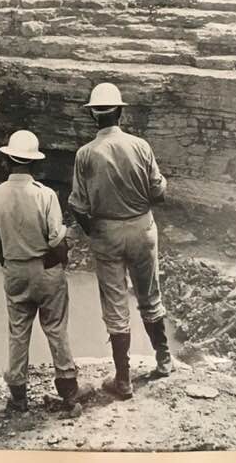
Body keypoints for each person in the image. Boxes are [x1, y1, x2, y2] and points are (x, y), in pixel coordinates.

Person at [68, 83, 173, 400]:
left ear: (93, 117)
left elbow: (77, 205)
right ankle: (164, 359)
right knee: (150, 296)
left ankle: (123, 380)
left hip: (107, 233)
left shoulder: (85, 155)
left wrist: (93, 231)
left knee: (115, 309)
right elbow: (159, 194)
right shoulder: (140, 146)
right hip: (142, 229)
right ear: (120, 111)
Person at [0, 130, 80, 414]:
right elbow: (55, 239)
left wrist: (10, 264)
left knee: (18, 332)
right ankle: (69, 395)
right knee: (56, 330)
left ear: (8, 160)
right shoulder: (46, 195)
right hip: (45, 270)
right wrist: (61, 265)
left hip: (14, 269)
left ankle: (18, 399)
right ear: (34, 164)